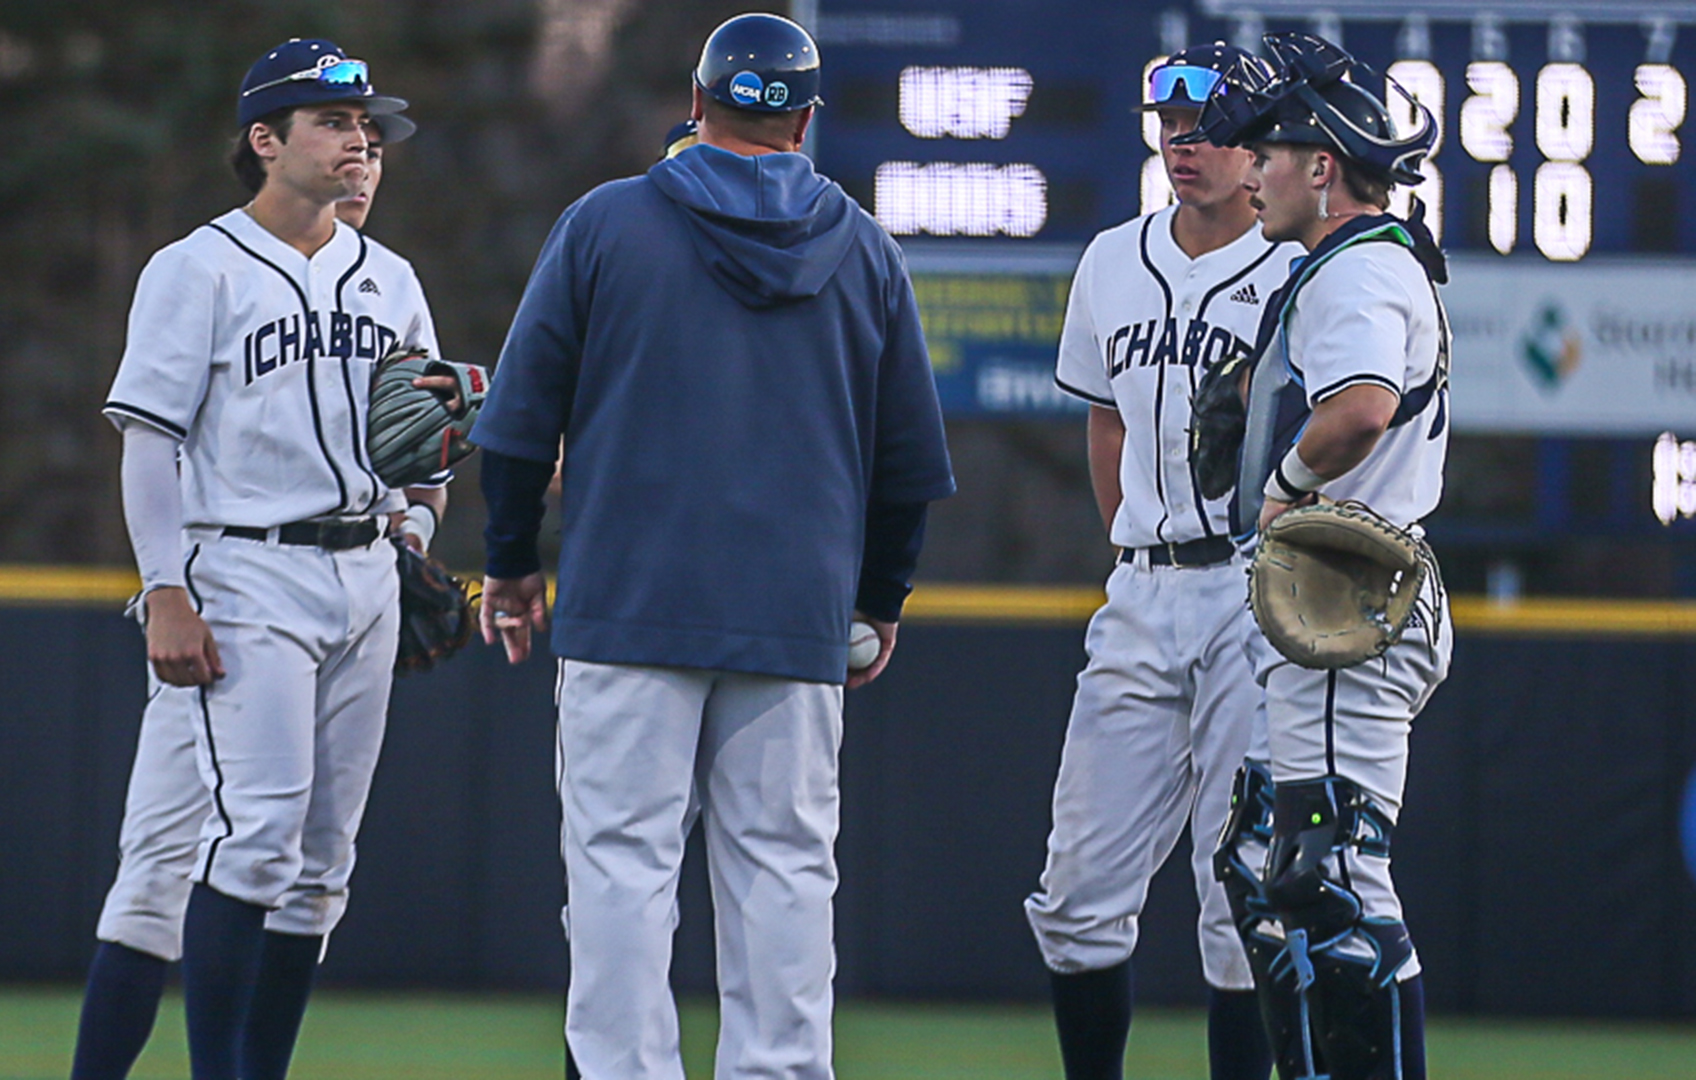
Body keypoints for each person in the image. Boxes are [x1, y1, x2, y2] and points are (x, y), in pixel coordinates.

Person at [470, 13, 955, 1079]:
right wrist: (879, 601)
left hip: (629, 603)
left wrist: (510, 560)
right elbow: (912, 466)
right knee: (784, 871)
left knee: (619, 871)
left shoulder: (605, 224)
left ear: (695, 104)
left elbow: (512, 429)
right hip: (794, 615)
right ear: (808, 120)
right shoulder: (866, 247)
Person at [92, 38, 444, 1080]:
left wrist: (419, 537)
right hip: (244, 570)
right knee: (251, 842)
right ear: (265, 140)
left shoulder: (391, 278)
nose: (361, 145)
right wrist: (163, 587)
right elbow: (149, 440)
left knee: (321, 870)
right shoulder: (195, 268)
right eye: (337, 124)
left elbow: (422, 441)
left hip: (367, 572)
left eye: (370, 132)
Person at [1184, 32, 1451, 1080]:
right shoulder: (1351, 266)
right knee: (1266, 865)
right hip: (1336, 603)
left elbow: (1361, 409)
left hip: (1349, 600)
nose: (1251, 171)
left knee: (1333, 886)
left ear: (1322, 167)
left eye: (1271, 152)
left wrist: (1284, 483)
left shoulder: (1356, 270)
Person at [1024, 42, 1290, 1080]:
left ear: (1261, 145)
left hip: (1252, 590)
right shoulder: (1110, 260)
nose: (1186, 144)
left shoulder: (1291, 267)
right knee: (1077, 891)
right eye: (1171, 126)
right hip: (1141, 587)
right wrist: (1134, 543)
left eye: (1211, 127)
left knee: (1243, 896)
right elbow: (1104, 427)